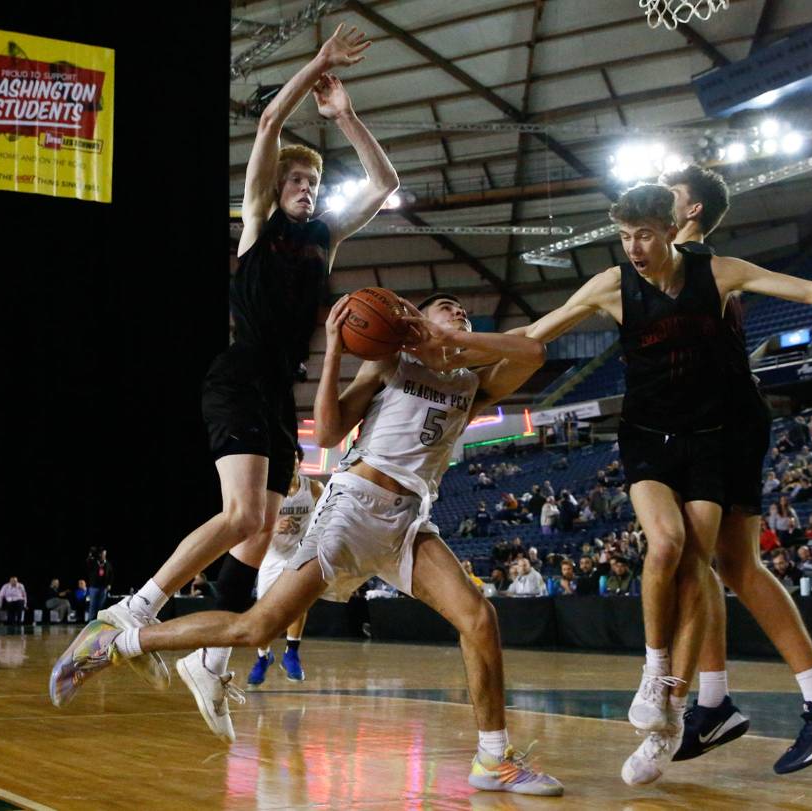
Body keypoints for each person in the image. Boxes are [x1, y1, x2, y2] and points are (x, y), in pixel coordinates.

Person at [51, 293, 562, 795]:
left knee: (479, 617)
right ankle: (119, 642)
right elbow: (329, 433)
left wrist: (454, 337)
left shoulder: (473, 385)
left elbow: (534, 353)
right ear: (414, 321)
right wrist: (336, 348)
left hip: (408, 521)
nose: (458, 312)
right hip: (353, 509)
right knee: (258, 628)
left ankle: (494, 758)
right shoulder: (391, 365)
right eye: (446, 307)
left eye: (462, 310)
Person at [518, 173, 812, 781]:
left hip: (725, 427)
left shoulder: (709, 265)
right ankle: (715, 703)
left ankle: (734, 702)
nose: (657, 195)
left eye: (669, 191)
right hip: (694, 427)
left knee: (712, 563)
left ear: (686, 213)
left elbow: (811, 290)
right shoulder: (642, 274)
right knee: (713, 565)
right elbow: (537, 334)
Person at [63, 26, 398, 698]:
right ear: (276, 189)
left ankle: (209, 660)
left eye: (312, 180)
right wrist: (319, 65)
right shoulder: (257, 222)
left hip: (280, 394)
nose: (305, 186)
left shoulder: (323, 239)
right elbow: (272, 118)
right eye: (296, 179)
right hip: (240, 374)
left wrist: (347, 117)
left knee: (260, 532)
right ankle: (133, 609)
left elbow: (385, 182)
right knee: (245, 516)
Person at [249, 456, 324, 687]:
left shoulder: (313, 488)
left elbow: (326, 516)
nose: (289, 464)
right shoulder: (267, 492)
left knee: (299, 603)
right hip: (272, 555)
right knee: (263, 613)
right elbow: (252, 528)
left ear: (298, 462)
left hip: (299, 552)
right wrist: (273, 526)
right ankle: (263, 656)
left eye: (292, 459)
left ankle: (292, 652)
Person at [85, 547, 113, 621]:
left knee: (101, 605)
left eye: (105, 554)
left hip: (103, 588)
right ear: (99, 554)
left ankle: (98, 621)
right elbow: (87, 562)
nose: (103, 555)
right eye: (102, 554)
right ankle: (90, 621)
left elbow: (111, 575)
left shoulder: (107, 563)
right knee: (93, 604)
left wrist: (109, 584)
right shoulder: (94, 562)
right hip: (94, 587)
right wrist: (90, 554)